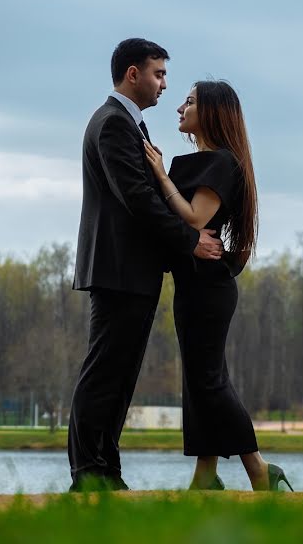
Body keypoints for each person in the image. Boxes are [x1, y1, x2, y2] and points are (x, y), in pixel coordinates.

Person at [68, 38, 224, 492]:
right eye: (158, 74)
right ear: (132, 74)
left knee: (119, 375)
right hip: (118, 269)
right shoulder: (114, 124)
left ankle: (106, 471)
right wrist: (190, 241)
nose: (163, 85)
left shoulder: (129, 125)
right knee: (104, 372)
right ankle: (87, 473)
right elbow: (137, 199)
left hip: (130, 270)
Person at [143, 80, 293, 492]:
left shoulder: (222, 163)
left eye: (188, 102)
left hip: (209, 287)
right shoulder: (195, 162)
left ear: (209, 111)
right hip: (192, 284)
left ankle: (260, 469)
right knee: (198, 378)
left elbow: (193, 218)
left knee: (208, 380)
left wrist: (158, 173)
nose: (179, 108)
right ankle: (205, 475)